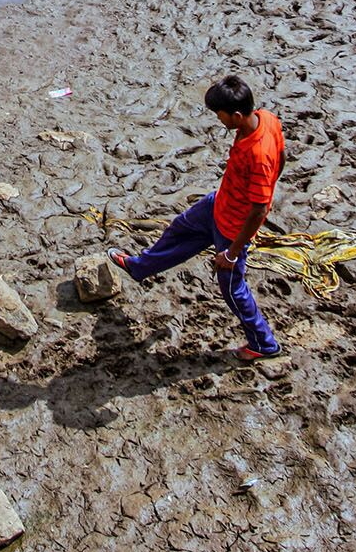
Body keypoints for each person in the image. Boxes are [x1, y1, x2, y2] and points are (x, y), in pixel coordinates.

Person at [112, 74, 283, 359]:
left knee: (232, 289)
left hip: (233, 228)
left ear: (237, 115)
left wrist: (231, 252)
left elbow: (260, 209)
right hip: (218, 204)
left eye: (220, 115)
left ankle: (263, 343)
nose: (219, 120)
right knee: (178, 230)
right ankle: (139, 267)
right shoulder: (267, 119)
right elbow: (284, 155)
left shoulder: (259, 154)